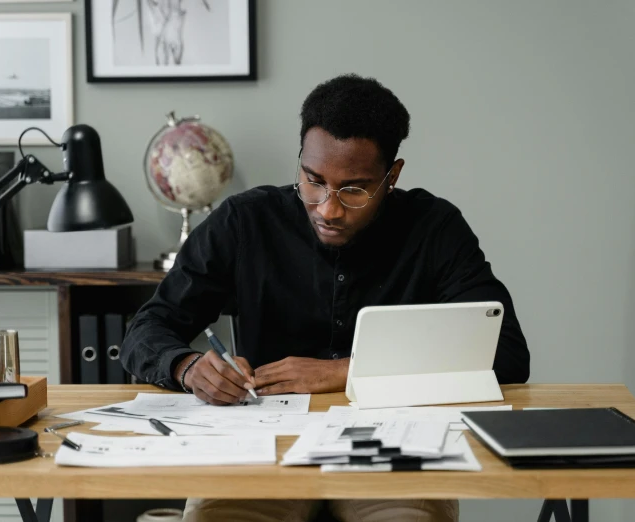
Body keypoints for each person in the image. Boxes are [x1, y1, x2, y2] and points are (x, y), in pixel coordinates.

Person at [121, 73, 530, 522]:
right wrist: (188, 366)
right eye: (313, 180)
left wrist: (344, 373)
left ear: (391, 177)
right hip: (263, 442)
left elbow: (507, 354)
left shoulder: (434, 229)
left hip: (392, 442)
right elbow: (147, 330)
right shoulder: (245, 222)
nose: (328, 208)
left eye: (353, 189)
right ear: (299, 160)